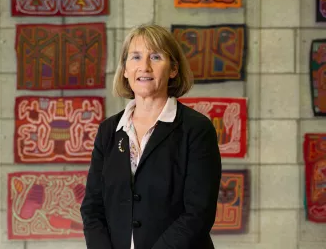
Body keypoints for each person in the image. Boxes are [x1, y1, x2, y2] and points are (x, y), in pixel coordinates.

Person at [80, 24, 222, 249]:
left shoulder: (196, 129)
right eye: (135, 57)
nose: (144, 67)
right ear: (125, 70)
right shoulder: (109, 130)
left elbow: (198, 213)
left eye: (155, 57)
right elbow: (92, 208)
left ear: (173, 69)